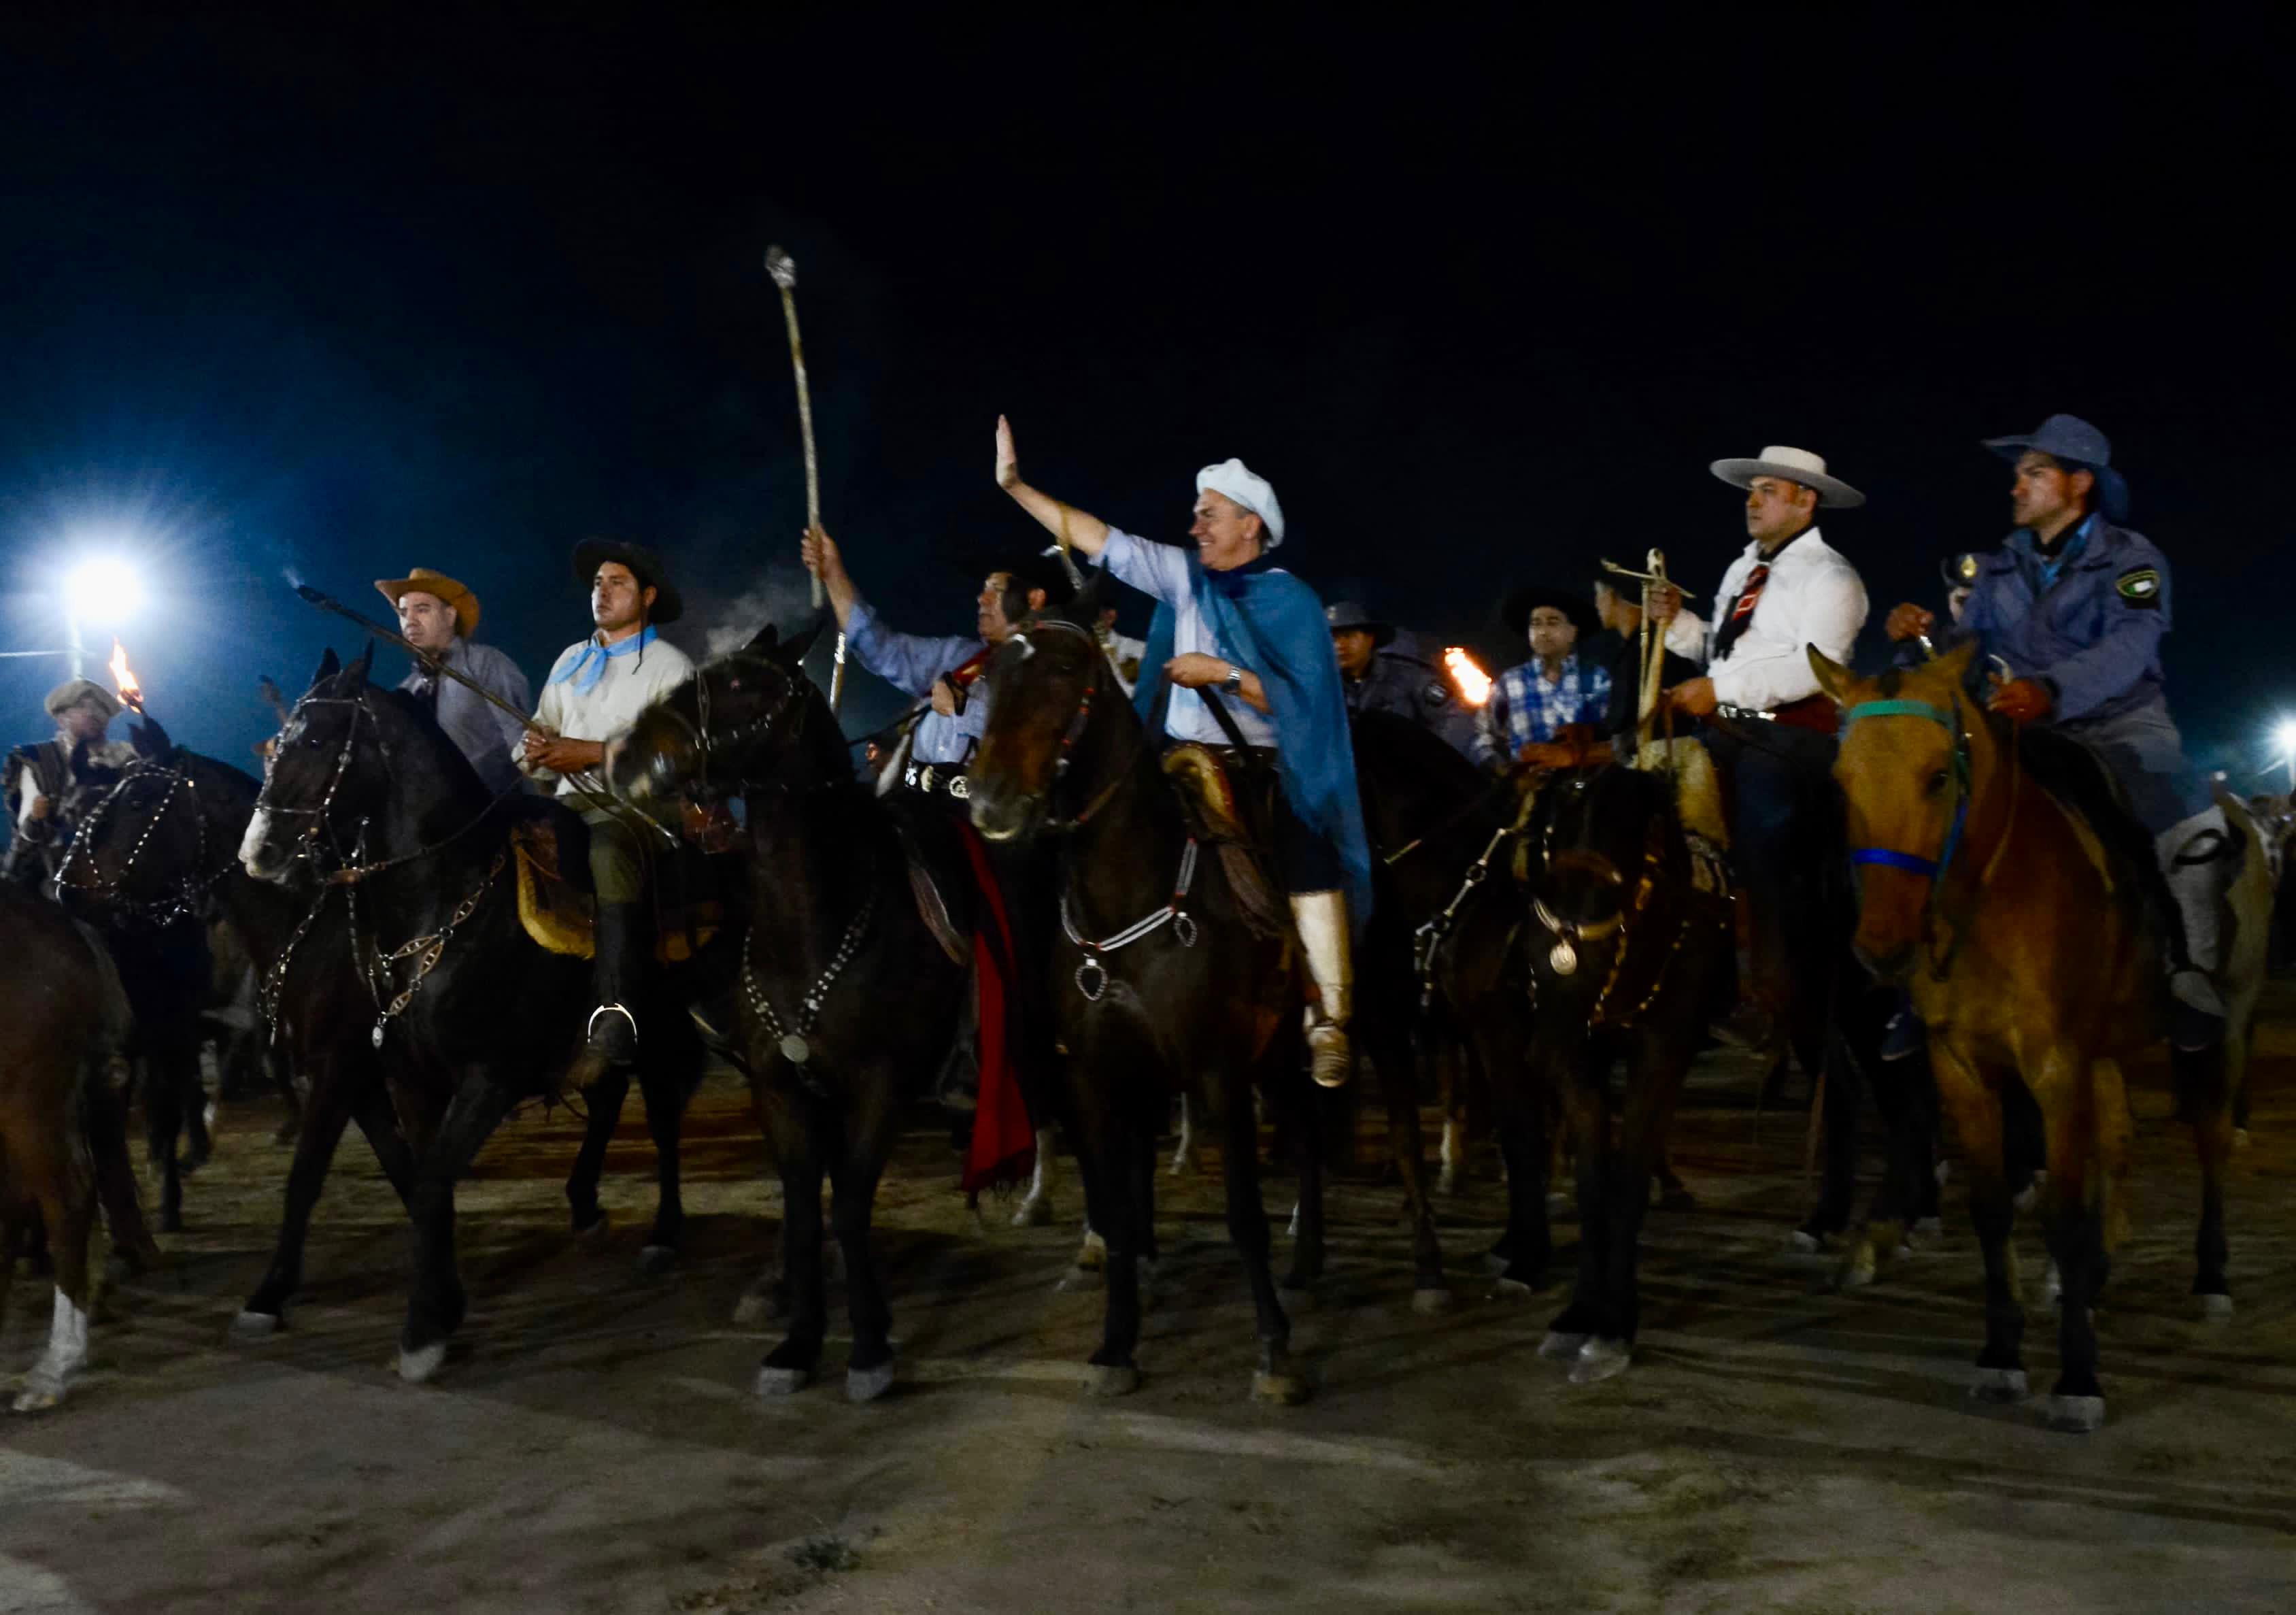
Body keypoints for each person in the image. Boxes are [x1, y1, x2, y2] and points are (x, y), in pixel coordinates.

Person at [993, 415, 1370, 1088]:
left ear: (1250, 525)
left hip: (1261, 767)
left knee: (1306, 848)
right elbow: (1097, 537)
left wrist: (1220, 673)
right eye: (1196, 515)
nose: (1195, 527)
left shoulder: (1292, 600)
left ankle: (1328, 1017)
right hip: (1180, 759)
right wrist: (1017, 487)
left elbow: (1309, 705)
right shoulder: (1183, 578)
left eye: (1210, 515)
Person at [1885, 414, 2237, 1050]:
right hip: (2021, 726)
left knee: (2187, 822)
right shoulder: (1995, 567)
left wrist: (2053, 691)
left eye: (2034, 474)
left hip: (2118, 723)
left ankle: (2189, 969)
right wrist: (1920, 645)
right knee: (1939, 812)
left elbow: (2133, 643)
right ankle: (1927, 979)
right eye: (2018, 475)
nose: (2016, 487)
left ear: (2080, 484)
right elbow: (1967, 649)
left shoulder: (2132, 559)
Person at [521, 541, 695, 1065]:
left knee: (608, 851)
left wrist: (592, 753)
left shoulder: (671, 666)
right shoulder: (572, 659)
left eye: (616, 582)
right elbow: (541, 723)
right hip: (568, 803)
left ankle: (618, 1007)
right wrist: (534, 747)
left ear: (646, 597)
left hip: (637, 810)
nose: (602, 590)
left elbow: (679, 755)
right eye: (597, 582)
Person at [373, 567, 531, 795]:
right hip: (440, 823)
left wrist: (536, 808)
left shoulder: (485, 663)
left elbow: (521, 739)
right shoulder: (405, 692)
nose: (410, 621)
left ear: (450, 615)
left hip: (500, 810)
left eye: (422, 610)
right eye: (403, 613)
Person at [5, 679, 137, 886]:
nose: (92, 713)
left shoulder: (127, 758)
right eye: (81, 706)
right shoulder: (37, 759)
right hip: (51, 868)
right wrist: (36, 817)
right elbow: (28, 832)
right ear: (61, 719)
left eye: (100, 708)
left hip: (118, 864)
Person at [1327, 599, 1479, 761]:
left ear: (1370, 639)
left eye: (1348, 636)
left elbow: (1454, 716)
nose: (1340, 645)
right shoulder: (1321, 688)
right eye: (1332, 639)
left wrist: (1431, 762)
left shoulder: (1408, 676)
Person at [1481, 588, 1612, 772]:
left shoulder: (1598, 679)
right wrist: (1499, 768)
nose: (1542, 632)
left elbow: (1617, 738)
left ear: (1572, 632)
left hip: (1587, 790)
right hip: (1527, 791)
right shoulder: (1509, 683)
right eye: (1536, 624)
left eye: (1553, 623)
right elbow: (1484, 734)